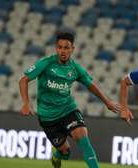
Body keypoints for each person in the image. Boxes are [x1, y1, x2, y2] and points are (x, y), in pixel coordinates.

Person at [19, 32, 118, 168]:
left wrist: (107, 102)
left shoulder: (75, 68)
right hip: (48, 118)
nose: (63, 51)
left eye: (66, 48)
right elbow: (23, 80)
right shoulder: (46, 63)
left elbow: (91, 85)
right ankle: (56, 155)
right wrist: (26, 103)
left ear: (72, 49)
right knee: (66, 153)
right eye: (60, 47)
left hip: (68, 110)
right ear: (56, 48)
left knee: (84, 141)